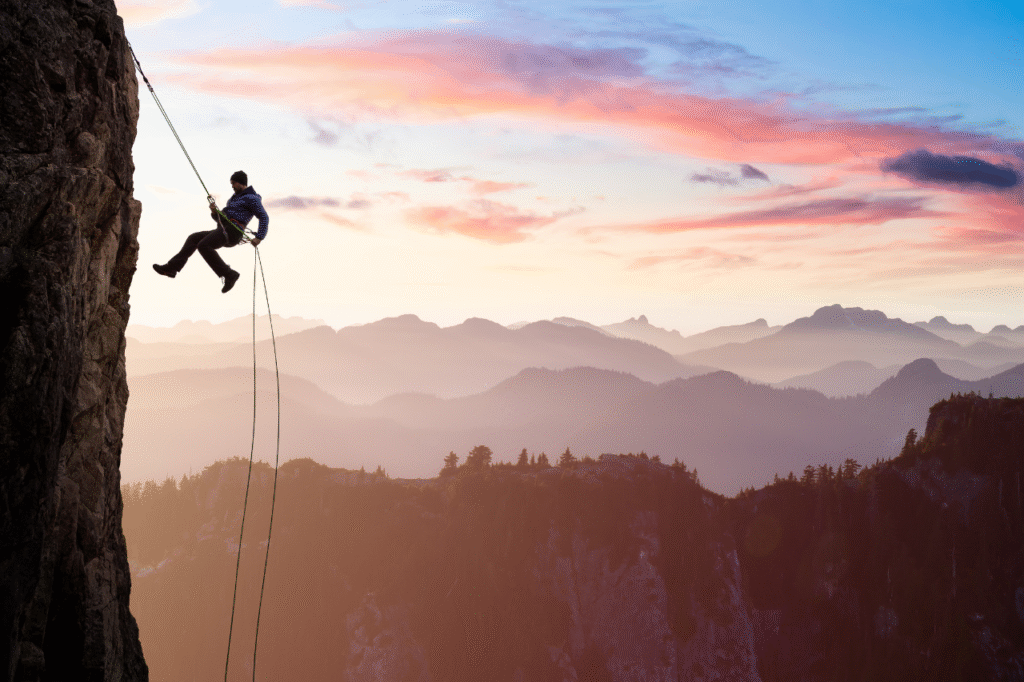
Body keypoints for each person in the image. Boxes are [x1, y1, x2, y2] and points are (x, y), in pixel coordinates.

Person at [153, 171, 269, 293]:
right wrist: (214, 212)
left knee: (204, 245)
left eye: (234, 183)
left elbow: (264, 217)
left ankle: (229, 274)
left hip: (233, 232)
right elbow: (220, 220)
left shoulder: (252, 198)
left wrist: (259, 237)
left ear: (241, 183)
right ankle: (172, 268)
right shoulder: (233, 200)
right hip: (224, 229)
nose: (232, 186)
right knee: (194, 238)